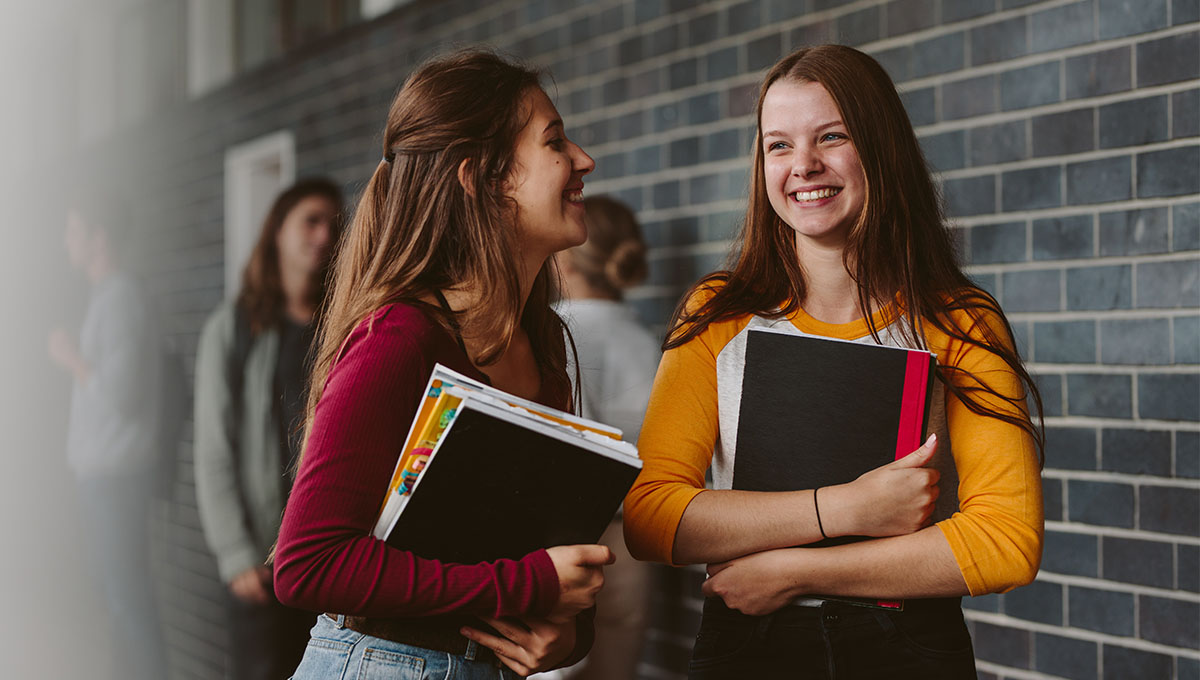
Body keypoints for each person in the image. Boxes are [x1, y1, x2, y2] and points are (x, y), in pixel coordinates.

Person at [622, 44, 1045, 678]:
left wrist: (794, 570)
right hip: (750, 645)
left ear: (880, 147)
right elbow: (651, 518)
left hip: (908, 644)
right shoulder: (717, 313)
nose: (804, 165)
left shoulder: (959, 320)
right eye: (779, 145)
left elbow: (1006, 542)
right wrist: (846, 509)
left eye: (831, 136)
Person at [273, 50, 614, 680]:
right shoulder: (401, 338)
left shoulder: (546, 355)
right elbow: (308, 563)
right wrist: (529, 583)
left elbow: (532, 563)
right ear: (483, 178)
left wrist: (566, 638)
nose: (584, 161)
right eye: (556, 142)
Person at [193, 178, 343, 680]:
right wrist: (235, 554)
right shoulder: (233, 329)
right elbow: (213, 449)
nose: (324, 235)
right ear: (278, 229)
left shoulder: (345, 326)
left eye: (332, 224)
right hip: (260, 562)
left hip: (330, 560)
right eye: (310, 220)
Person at [49, 187, 168, 680]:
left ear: (99, 238)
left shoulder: (120, 298)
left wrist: (72, 357)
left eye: (73, 231)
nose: (66, 241)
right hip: (106, 478)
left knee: (127, 603)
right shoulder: (111, 295)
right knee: (119, 601)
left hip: (117, 480)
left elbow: (122, 394)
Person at [549, 195, 658, 680]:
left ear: (566, 255)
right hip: (635, 538)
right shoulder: (649, 339)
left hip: (570, 540)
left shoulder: (553, 333)